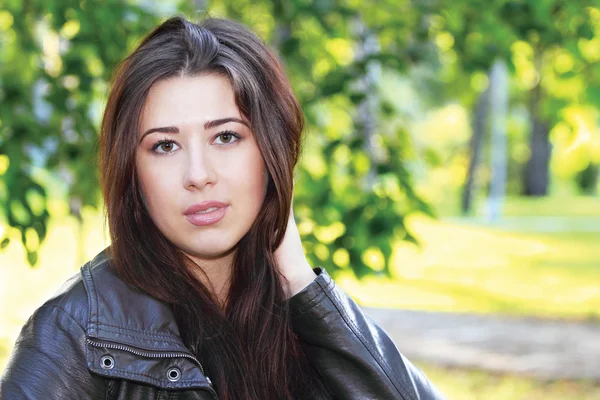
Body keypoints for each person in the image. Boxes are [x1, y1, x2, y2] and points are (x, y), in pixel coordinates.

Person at [0, 16, 446, 400]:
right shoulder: (74, 331)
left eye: (226, 137)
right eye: (165, 145)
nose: (198, 173)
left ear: (271, 150)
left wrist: (299, 282)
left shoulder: (299, 312)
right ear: (132, 171)